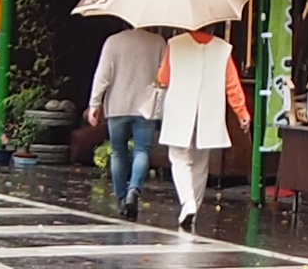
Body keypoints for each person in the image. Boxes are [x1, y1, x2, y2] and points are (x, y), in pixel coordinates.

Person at [88, 22, 171, 220]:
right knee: (142, 150)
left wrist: (94, 103)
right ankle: (134, 190)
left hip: (117, 106)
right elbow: (166, 77)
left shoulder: (113, 42)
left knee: (118, 152)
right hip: (146, 108)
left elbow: (103, 76)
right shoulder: (159, 42)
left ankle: (121, 197)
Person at [166, 21, 238, 227]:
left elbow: (163, 77)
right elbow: (232, 85)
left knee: (180, 158)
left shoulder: (175, 44)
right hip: (208, 112)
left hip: (180, 110)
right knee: (200, 164)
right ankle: (193, 209)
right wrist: (242, 112)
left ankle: (187, 203)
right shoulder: (223, 49)